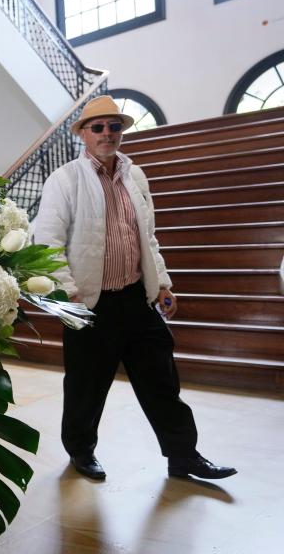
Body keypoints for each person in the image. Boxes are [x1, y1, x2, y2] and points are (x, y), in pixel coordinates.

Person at [34, 95, 236, 481]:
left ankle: (183, 456)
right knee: (86, 388)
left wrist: (161, 283)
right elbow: (46, 244)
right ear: (83, 135)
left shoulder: (135, 175)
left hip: (136, 299)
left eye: (114, 126)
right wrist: (69, 295)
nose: (107, 134)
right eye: (98, 127)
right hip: (89, 305)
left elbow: (148, 237)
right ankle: (81, 452)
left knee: (162, 381)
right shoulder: (65, 180)